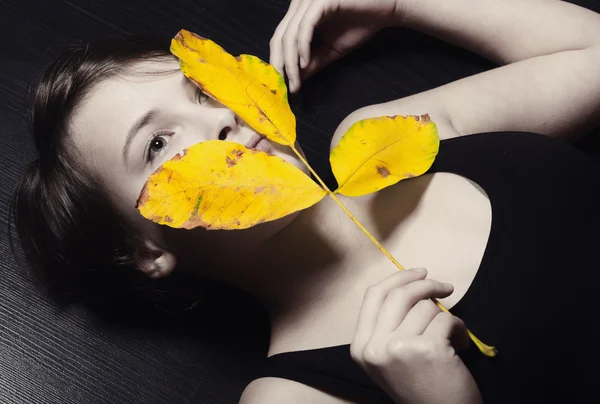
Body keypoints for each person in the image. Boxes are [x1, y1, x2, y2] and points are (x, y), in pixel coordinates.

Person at [11, 0, 600, 403]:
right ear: (144, 252)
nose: (222, 118)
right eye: (159, 143)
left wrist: (398, 3)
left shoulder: (382, 138)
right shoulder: (294, 394)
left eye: (203, 88)